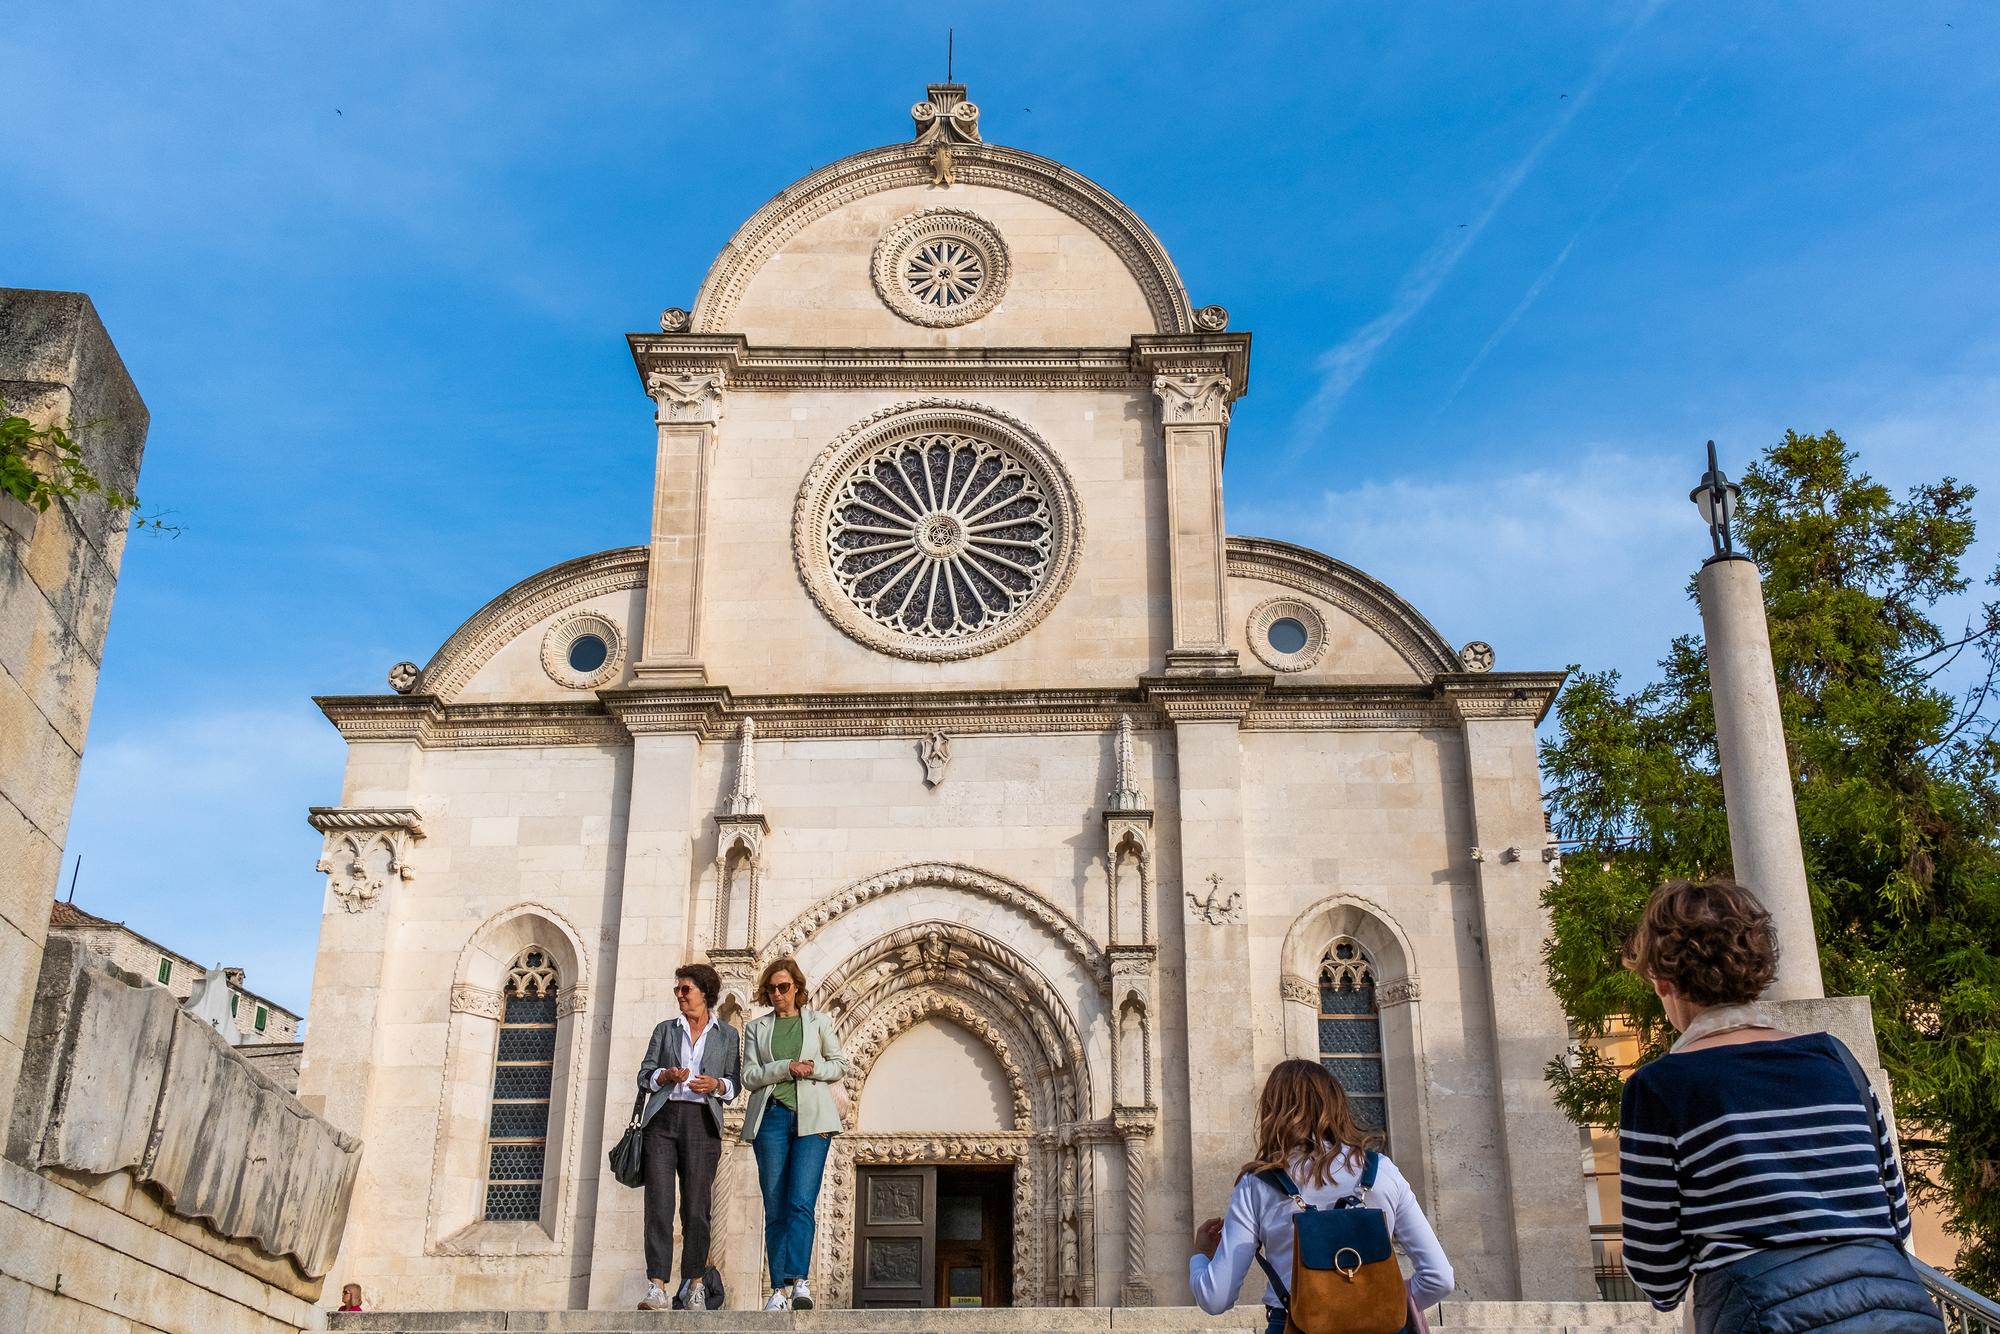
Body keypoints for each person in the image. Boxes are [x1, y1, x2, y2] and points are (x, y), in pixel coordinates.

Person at [1618, 878, 1938, 1333]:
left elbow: (1657, 1270)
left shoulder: (1660, 1087)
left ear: (1664, 981)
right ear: (1758, 965)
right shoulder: (1836, 1058)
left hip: (1763, 1314)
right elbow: (1894, 1213)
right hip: (1895, 1309)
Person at [1190, 1059, 1452, 1334]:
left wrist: (1200, 1255)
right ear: (1336, 1104)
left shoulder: (1256, 1185)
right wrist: (1379, 1301)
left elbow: (1215, 1298)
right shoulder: (1382, 1170)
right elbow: (1440, 1278)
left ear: (1272, 1110)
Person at [740, 956, 848, 1312]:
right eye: (771, 988)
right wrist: (785, 1067)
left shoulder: (820, 1022)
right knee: (775, 1206)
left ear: (798, 988)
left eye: (783, 987)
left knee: (801, 1201)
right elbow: (750, 1077)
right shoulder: (757, 1028)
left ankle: (800, 1281)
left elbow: (840, 1065)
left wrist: (813, 1068)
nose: (777, 994)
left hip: (813, 1121)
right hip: (771, 1118)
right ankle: (777, 1290)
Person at [635, 962, 741, 1312]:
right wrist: (664, 1075)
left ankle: (695, 1283)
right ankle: (657, 1286)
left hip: (702, 1123)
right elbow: (644, 1075)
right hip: (662, 1122)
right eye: (677, 990)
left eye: (686, 990)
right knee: (659, 1206)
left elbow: (733, 1083)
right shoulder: (665, 1030)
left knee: (697, 1209)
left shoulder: (727, 1035)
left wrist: (716, 1085)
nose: (680, 996)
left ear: (704, 994)